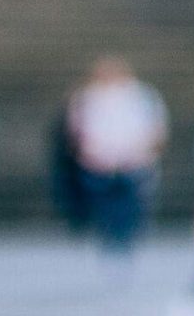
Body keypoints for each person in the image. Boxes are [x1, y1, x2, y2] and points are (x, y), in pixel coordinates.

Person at [66, 56, 167, 256]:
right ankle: (109, 237)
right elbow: (76, 128)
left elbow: (156, 125)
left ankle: (124, 238)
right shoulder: (88, 97)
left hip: (134, 158)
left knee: (129, 202)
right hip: (99, 160)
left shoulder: (142, 95)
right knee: (104, 203)